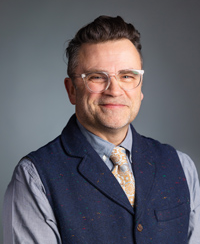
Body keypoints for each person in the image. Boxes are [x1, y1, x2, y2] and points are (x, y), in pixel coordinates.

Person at [3, 15, 200, 244]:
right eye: (97, 77)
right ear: (72, 90)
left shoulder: (181, 167)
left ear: (140, 87)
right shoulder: (34, 178)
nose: (114, 90)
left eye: (127, 76)